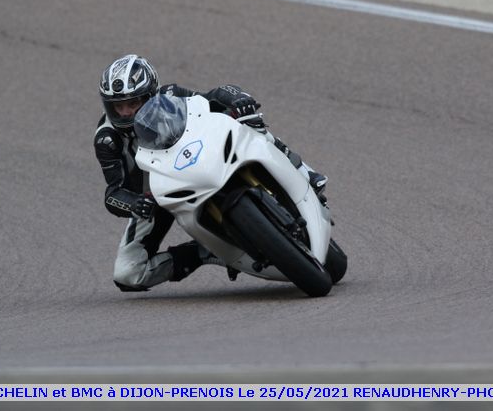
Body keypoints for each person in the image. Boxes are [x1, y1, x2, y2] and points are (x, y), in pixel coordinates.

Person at [94, 54, 327, 292]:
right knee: (127, 274)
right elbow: (113, 194)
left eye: (133, 103)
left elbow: (212, 97)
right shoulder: (107, 139)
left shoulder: (170, 96)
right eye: (117, 106)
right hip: (154, 198)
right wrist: (135, 204)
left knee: (247, 120)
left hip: (197, 160)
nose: (125, 112)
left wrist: (238, 99)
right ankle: (205, 252)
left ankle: (305, 172)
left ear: (151, 95)